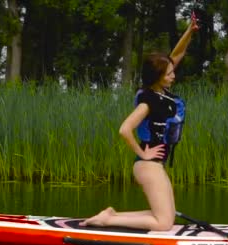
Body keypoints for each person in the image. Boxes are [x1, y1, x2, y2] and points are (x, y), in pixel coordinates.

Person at [80, 12, 199, 231]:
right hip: (147, 164)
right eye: (169, 73)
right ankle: (107, 221)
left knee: (167, 215)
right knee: (164, 224)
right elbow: (124, 129)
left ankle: (111, 215)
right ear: (157, 76)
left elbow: (178, 53)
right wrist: (144, 153)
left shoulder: (161, 92)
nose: (174, 75)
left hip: (155, 165)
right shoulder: (148, 100)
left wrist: (189, 32)